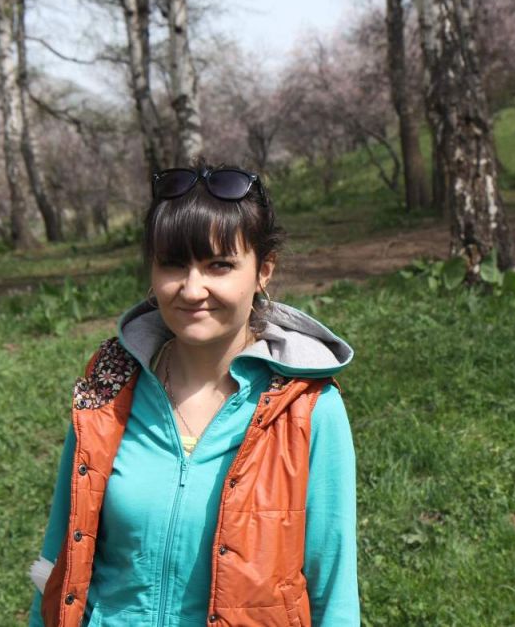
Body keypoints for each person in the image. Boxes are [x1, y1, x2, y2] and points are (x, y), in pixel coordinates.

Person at [28, 161, 358, 626]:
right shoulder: (108, 387)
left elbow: (334, 595)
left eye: (219, 265)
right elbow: (59, 560)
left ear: (263, 271)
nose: (192, 288)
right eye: (173, 264)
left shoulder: (308, 408)